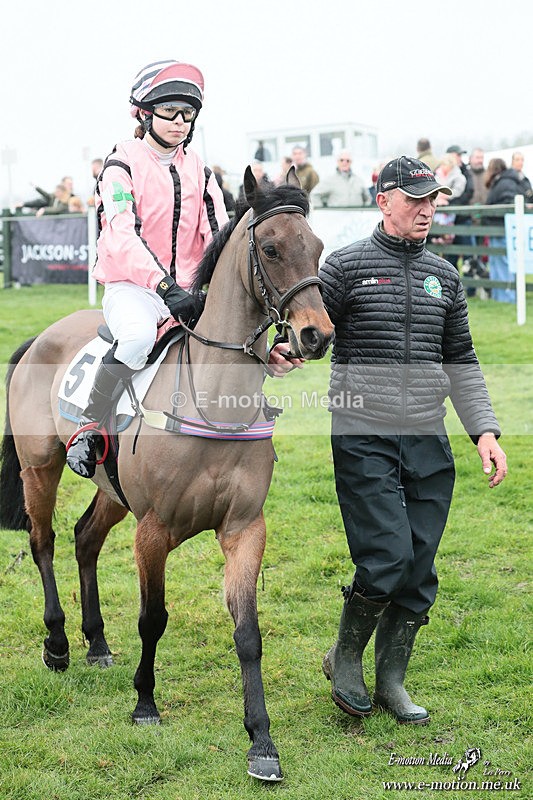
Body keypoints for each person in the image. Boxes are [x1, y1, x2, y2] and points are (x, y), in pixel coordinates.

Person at [317, 156, 507, 725]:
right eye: (416, 200)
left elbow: (460, 360)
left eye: (433, 201)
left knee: (419, 568)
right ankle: (345, 656)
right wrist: (283, 354)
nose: (427, 211)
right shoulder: (345, 268)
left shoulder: (443, 277)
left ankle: (391, 681)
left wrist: (485, 431)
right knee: (387, 557)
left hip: (428, 434)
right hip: (362, 433)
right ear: (384, 201)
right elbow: (310, 335)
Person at [66, 59, 229, 478]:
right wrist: (165, 286)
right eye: (169, 111)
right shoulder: (119, 165)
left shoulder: (202, 172)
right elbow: (121, 234)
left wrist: (209, 288)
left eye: (188, 113)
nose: (179, 121)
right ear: (144, 113)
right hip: (133, 289)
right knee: (137, 338)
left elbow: (218, 237)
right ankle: (89, 426)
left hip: (188, 292)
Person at [484, 157, 528, 303]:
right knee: (497, 263)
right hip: (498, 229)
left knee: (503, 263)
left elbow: (509, 203)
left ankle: (506, 297)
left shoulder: (504, 182)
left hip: (501, 229)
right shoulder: (504, 181)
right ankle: (499, 297)